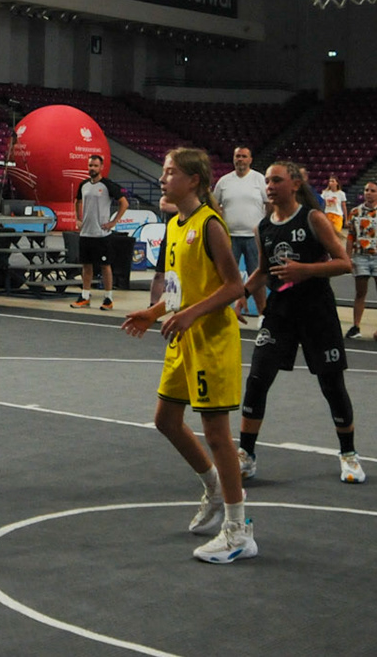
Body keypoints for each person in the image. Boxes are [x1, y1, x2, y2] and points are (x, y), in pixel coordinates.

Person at [121, 146, 252, 563]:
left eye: (171, 172)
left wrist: (191, 314)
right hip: (184, 336)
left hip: (211, 339)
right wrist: (155, 311)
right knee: (166, 420)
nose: (163, 179)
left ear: (193, 180)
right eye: (164, 172)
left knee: (217, 434)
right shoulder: (175, 225)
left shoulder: (210, 224)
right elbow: (181, 289)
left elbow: (235, 286)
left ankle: (239, 531)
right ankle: (213, 486)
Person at [237, 160, 363, 484]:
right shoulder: (263, 227)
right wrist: (241, 294)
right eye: (267, 180)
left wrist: (304, 270)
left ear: (294, 184)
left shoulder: (313, 218)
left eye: (276, 180)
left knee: (331, 384)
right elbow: (263, 270)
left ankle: (349, 454)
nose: (270, 186)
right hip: (280, 312)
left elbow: (344, 263)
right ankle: (246, 454)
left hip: (317, 310)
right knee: (257, 378)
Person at [213, 147, 268, 321]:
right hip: (229, 237)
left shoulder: (259, 179)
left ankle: (263, 315)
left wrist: (266, 227)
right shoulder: (224, 181)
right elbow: (214, 205)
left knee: (257, 278)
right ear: (233, 158)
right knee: (224, 278)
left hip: (253, 238)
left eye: (244, 156)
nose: (240, 159)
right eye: (238, 156)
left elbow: (269, 204)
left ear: (250, 159)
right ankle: (220, 315)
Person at [71, 154, 129, 311]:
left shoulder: (108, 185)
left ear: (101, 167)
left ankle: (108, 298)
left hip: (101, 234)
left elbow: (124, 203)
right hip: (86, 233)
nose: (92, 168)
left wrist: (113, 222)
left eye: (95, 166)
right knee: (86, 266)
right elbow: (77, 201)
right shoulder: (83, 185)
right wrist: (78, 219)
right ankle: (85, 296)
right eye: (90, 165)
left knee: (105, 265)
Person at [343, 181, 377, 339]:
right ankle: (356, 325)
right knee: (360, 292)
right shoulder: (355, 212)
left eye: (372, 190)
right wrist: (348, 257)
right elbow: (351, 236)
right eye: (366, 190)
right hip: (361, 256)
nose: (369, 193)